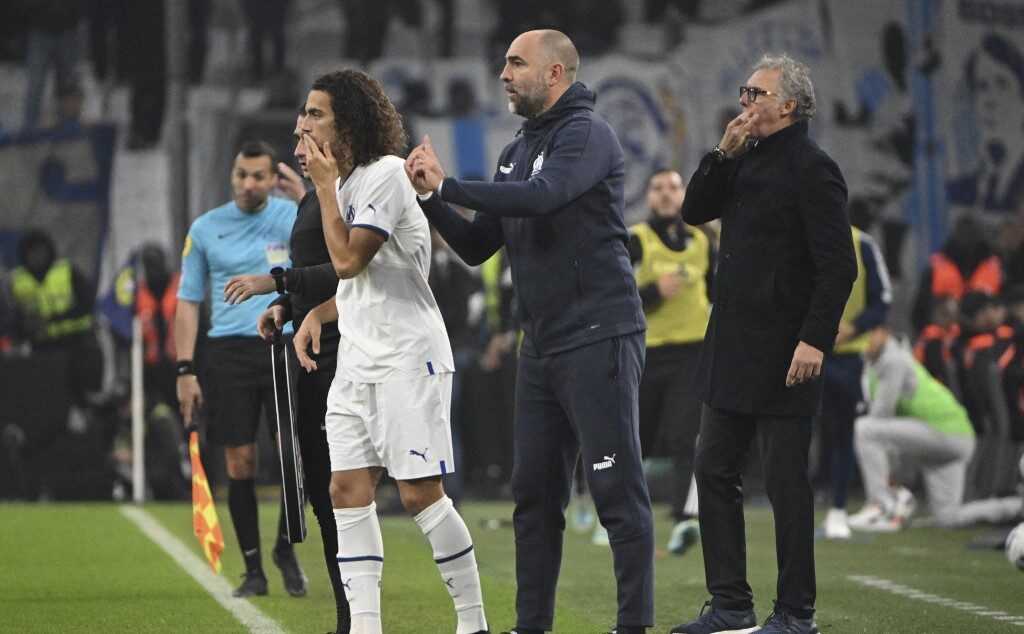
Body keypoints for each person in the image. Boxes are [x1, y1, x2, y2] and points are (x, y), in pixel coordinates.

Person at [407, 29, 654, 634]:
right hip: (540, 347)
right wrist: (430, 199)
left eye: (516, 63)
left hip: (597, 335)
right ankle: (531, 626)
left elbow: (546, 198)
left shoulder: (587, 134)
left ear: (556, 73)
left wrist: (448, 185)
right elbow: (475, 245)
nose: (503, 74)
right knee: (533, 500)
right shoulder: (516, 148)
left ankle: (633, 626)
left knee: (616, 492)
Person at [293, 69, 488, 634]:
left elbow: (350, 260)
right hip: (358, 359)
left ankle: (474, 624)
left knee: (420, 494)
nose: (302, 124)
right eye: (303, 112)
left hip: (408, 357)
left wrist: (326, 189)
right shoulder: (346, 182)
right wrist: (319, 312)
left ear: (348, 123)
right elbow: (358, 283)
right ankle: (365, 627)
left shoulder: (383, 177)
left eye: (316, 113)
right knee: (345, 489)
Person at [672, 54, 857, 634]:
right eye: (744, 90)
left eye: (756, 93)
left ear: (789, 106)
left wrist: (814, 341)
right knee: (713, 469)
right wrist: (721, 153)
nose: (744, 101)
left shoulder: (814, 168)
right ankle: (730, 605)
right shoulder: (742, 158)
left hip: (786, 355)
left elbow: (838, 267)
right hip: (731, 348)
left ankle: (796, 614)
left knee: (785, 486)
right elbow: (693, 210)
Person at [224, 119, 351, 632]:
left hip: (360, 354)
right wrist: (286, 305)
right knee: (325, 489)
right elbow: (317, 267)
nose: (297, 149)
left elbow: (350, 270)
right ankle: (352, 617)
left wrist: (274, 282)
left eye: (308, 135)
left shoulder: (359, 190)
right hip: (315, 354)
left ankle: (470, 617)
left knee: (408, 492)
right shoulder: (311, 200)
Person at [174, 141, 308, 599]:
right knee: (240, 461)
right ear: (232, 176)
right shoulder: (206, 229)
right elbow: (188, 302)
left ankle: (285, 547)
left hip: (284, 343)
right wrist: (185, 368)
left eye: (258, 176)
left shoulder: (293, 216)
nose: (248, 184)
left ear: (274, 178)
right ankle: (254, 570)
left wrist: (308, 195)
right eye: (241, 175)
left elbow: (330, 257)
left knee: (296, 453)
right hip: (228, 352)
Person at [850, 327, 1023, 531]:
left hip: (942, 431)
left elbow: (882, 414)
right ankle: (1017, 507)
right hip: (956, 436)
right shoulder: (881, 361)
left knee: (865, 429)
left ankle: (881, 506)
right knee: (948, 517)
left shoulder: (892, 359)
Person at [627, 168, 713, 555]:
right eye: (658, 188)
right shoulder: (635, 240)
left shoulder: (703, 239)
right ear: (647, 197)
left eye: (674, 188)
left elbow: (718, 291)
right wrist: (652, 292)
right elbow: (613, 291)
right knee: (634, 439)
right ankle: (622, 516)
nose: (666, 194)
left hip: (692, 353)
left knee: (685, 438)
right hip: (647, 352)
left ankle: (684, 520)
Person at [820, 222, 892, 540]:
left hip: (849, 356)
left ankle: (839, 506)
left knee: (844, 431)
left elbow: (882, 298)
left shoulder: (861, 243)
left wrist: (854, 327)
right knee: (789, 430)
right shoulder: (796, 234)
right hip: (800, 349)